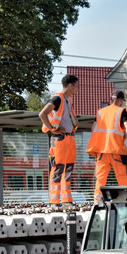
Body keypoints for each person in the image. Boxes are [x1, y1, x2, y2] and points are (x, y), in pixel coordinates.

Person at [38, 74, 80, 205]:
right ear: (70, 85)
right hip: (59, 140)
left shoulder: (68, 99)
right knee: (58, 170)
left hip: (69, 139)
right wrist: (52, 129)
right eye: (76, 86)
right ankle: (54, 201)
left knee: (67, 169)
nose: (77, 89)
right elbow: (42, 114)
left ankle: (67, 200)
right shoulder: (58, 98)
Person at [86, 90, 127, 202]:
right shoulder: (121, 111)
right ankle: (126, 200)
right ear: (121, 100)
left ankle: (97, 200)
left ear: (111, 99)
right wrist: (122, 138)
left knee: (100, 178)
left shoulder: (100, 112)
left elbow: (93, 129)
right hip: (116, 150)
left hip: (101, 152)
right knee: (122, 178)